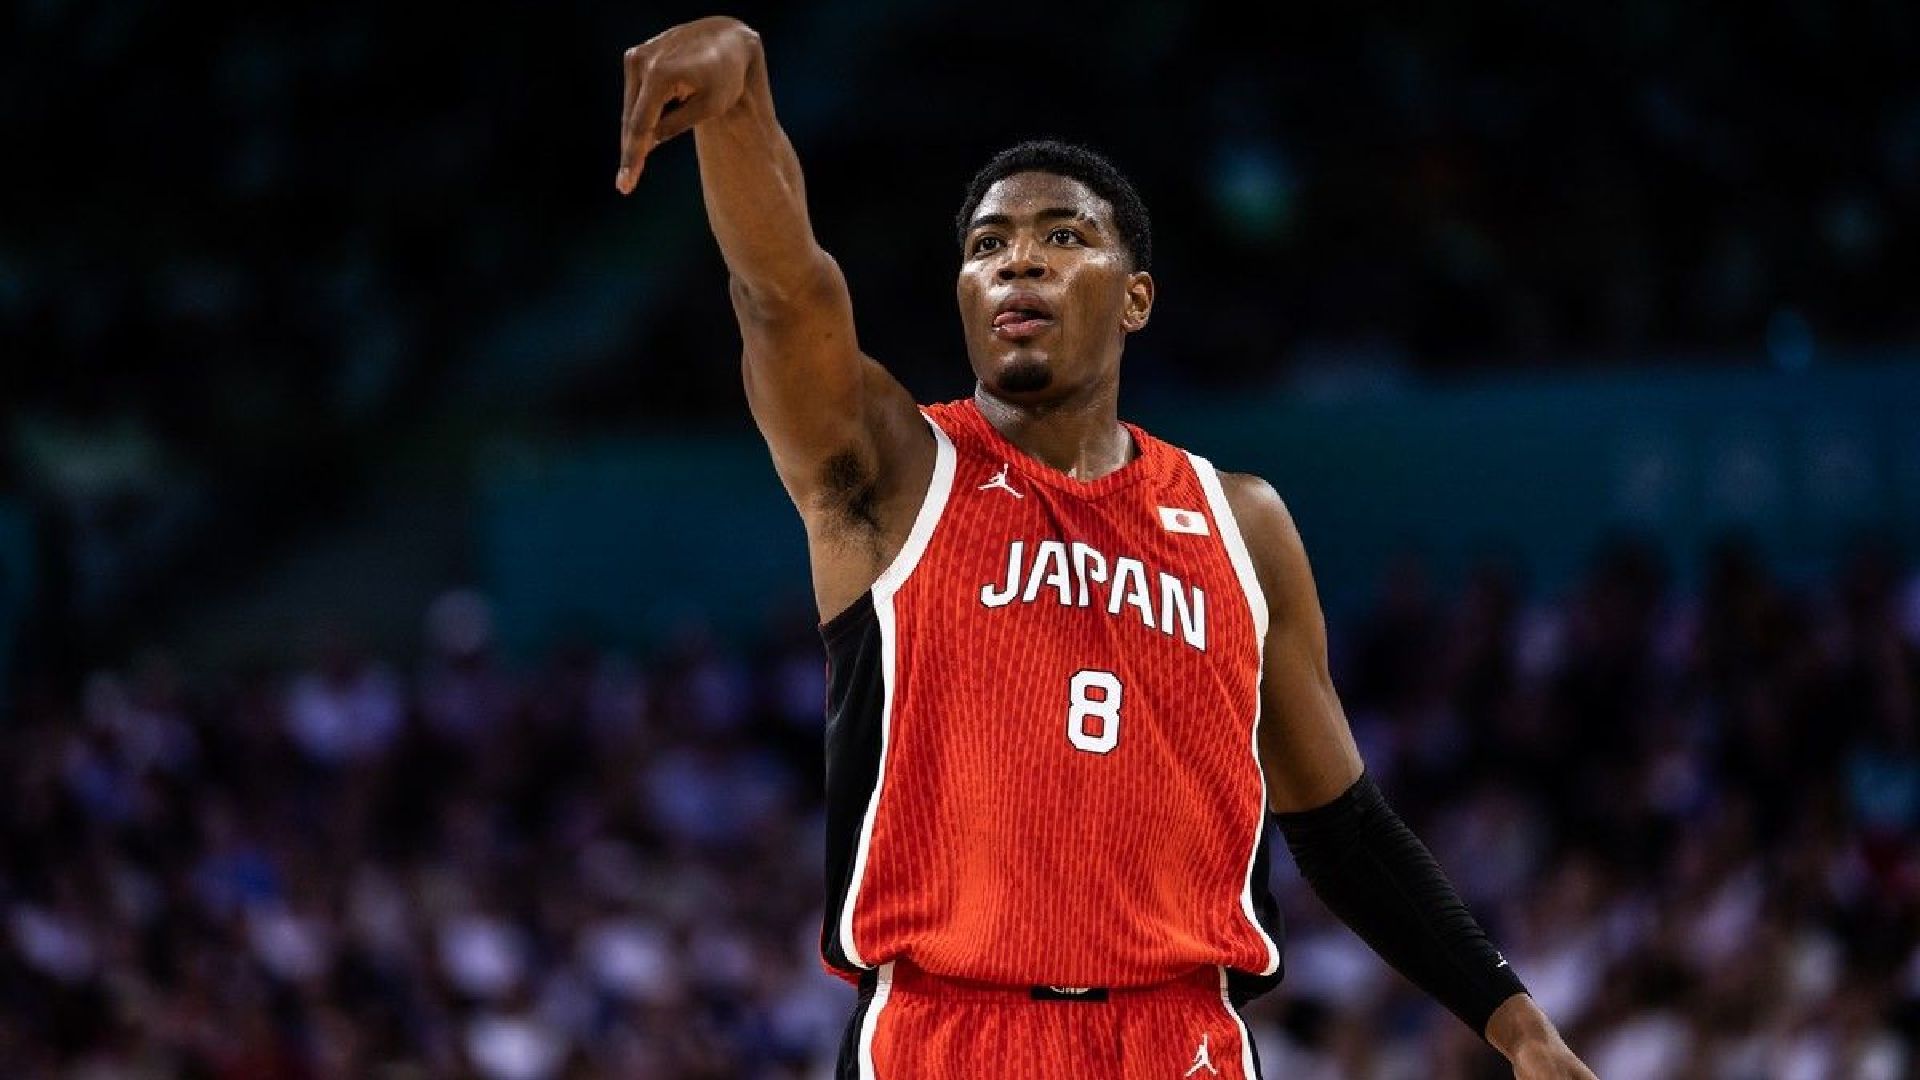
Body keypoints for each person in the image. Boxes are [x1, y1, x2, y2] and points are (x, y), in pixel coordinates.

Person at [615, 17, 1599, 1079]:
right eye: (987, 246)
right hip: (944, 1035)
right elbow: (784, 296)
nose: (1017, 260)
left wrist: (1517, 1024)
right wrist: (741, 107)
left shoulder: (1240, 522)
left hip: (1181, 1039)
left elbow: (1343, 829)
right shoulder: (894, 472)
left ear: (1136, 298)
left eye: (1061, 236)